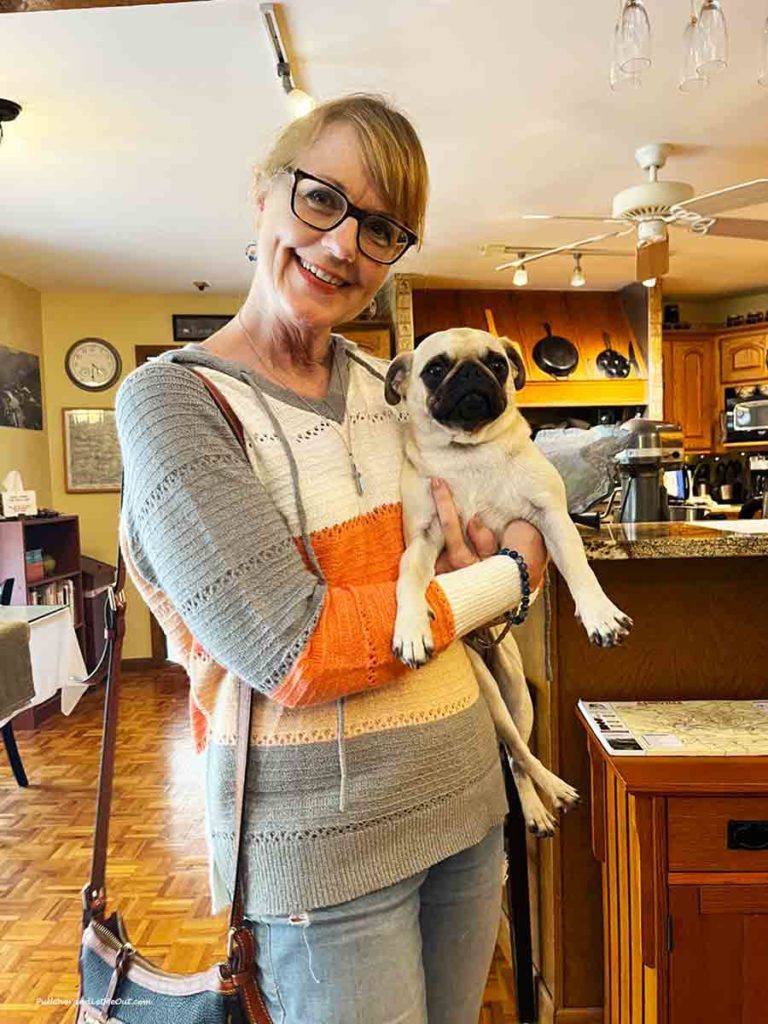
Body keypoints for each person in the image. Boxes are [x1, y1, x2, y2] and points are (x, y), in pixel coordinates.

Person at [115, 93, 547, 1024]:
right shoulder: (173, 405)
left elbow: (446, 567)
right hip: (322, 852)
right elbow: (296, 651)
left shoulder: (387, 388)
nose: (345, 244)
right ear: (263, 198)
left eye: (382, 227)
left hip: (469, 801)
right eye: (322, 200)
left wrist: (489, 571)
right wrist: (513, 573)